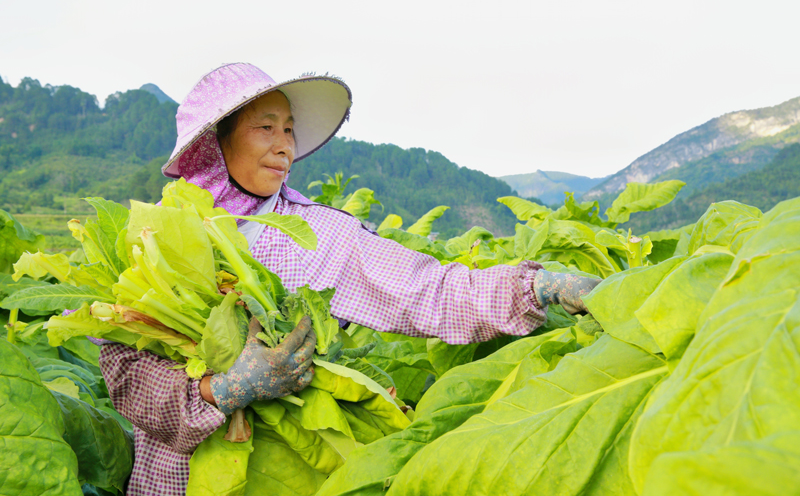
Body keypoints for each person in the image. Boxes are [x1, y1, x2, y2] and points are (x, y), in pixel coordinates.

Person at [99, 63, 601, 495]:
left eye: (290, 130)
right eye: (265, 128)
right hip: (172, 476)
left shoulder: (315, 234)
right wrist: (222, 391)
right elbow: (122, 367)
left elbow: (427, 290)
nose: (284, 146)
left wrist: (535, 286)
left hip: (286, 464)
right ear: (214, 142)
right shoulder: (155, 240)